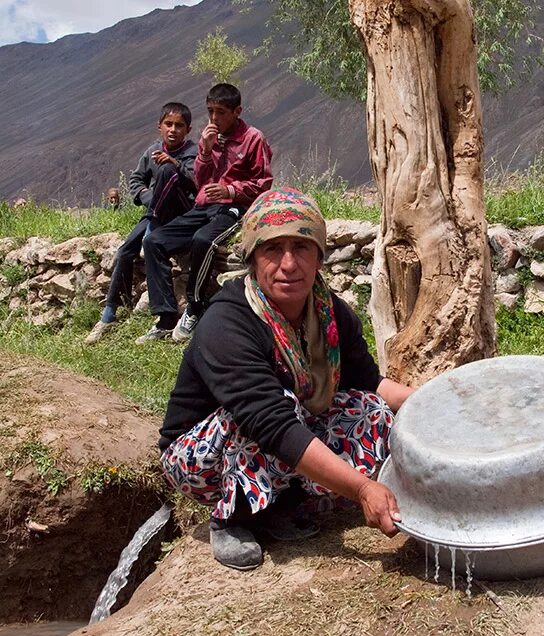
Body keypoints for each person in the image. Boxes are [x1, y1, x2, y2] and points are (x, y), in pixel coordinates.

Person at [159, 188, 413, 570]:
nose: (289, 264)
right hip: (203, 457)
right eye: (272, 249)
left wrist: (436, 403)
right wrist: (361, 489)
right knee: (278, 407)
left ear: (319, 257)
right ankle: (232, 516)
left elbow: (368, 382)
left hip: (280, 433)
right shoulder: (228, 323)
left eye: (301, 247)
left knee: (372, 411)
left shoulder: (330, 313)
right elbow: (272, 423)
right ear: (253, 258)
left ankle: (283, 503)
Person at [138, 83, 273, 345]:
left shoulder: (253, 138)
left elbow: (263, 182)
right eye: (210, 111)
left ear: (237, 111)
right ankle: (165, 318)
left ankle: (195, 307)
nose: (214, 118)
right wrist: (206, 150)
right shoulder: (209, 136)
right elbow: (199, 180)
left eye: (221, 112)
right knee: (153, 241)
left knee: (203, 241)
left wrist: (230, 190)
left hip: (234, 207)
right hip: (203, 205)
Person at [85, 102, 197, 344]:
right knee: (126, 250)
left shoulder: (192, 153)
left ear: (188, 129)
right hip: (153, 214)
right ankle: (111, 311)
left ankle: (165, 318)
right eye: (169, 124)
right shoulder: (152, 151)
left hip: (180, 215)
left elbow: (196, 183)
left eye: (179, 125)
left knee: (168, 172)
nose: (173, 130)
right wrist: (148, 198)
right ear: (159, 127)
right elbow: (136, 179)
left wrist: (175, 165)